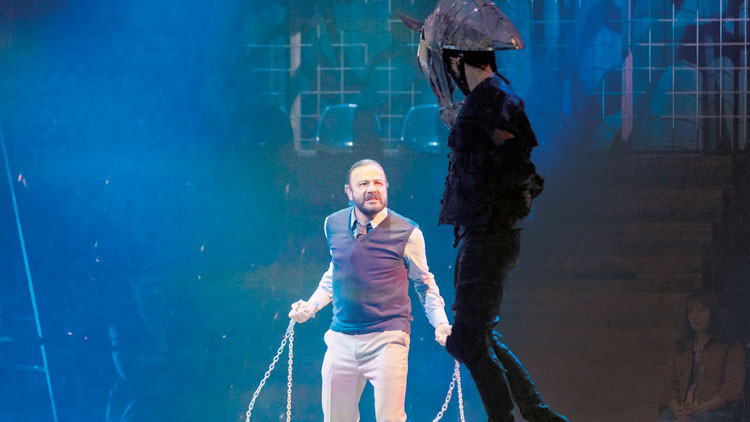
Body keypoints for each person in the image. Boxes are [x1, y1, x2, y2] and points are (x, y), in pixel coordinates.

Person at [400, 2, 567, 421]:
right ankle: (539, 414)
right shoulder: (489, 100)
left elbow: (517, 168)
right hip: (484, 234)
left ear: (457, 60)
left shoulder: (493, 101)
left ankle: (525, 416)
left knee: (468, 341)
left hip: (490, 236)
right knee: (479, 337)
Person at [288, 159, 452, 422]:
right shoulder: (333, 224)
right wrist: (310, 307)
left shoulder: (407, 232)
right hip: (341, 338)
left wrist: (440, 323)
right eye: (363, 183)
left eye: (378, 183)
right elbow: (335, 272)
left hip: (388, 338)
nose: (372, 189)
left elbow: (424, 283)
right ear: (349, 191)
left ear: (386, 187)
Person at [658, 288, 746, 422]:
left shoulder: (731, 346)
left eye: (700, 311)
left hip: (715, 411)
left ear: (712, 313)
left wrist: (700, 409)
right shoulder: (680, 348)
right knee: (666, 417)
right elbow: (669, 384)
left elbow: (732, 388)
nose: (695, 316)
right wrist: (676, 408)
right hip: (683, 410)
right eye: (691, 311)